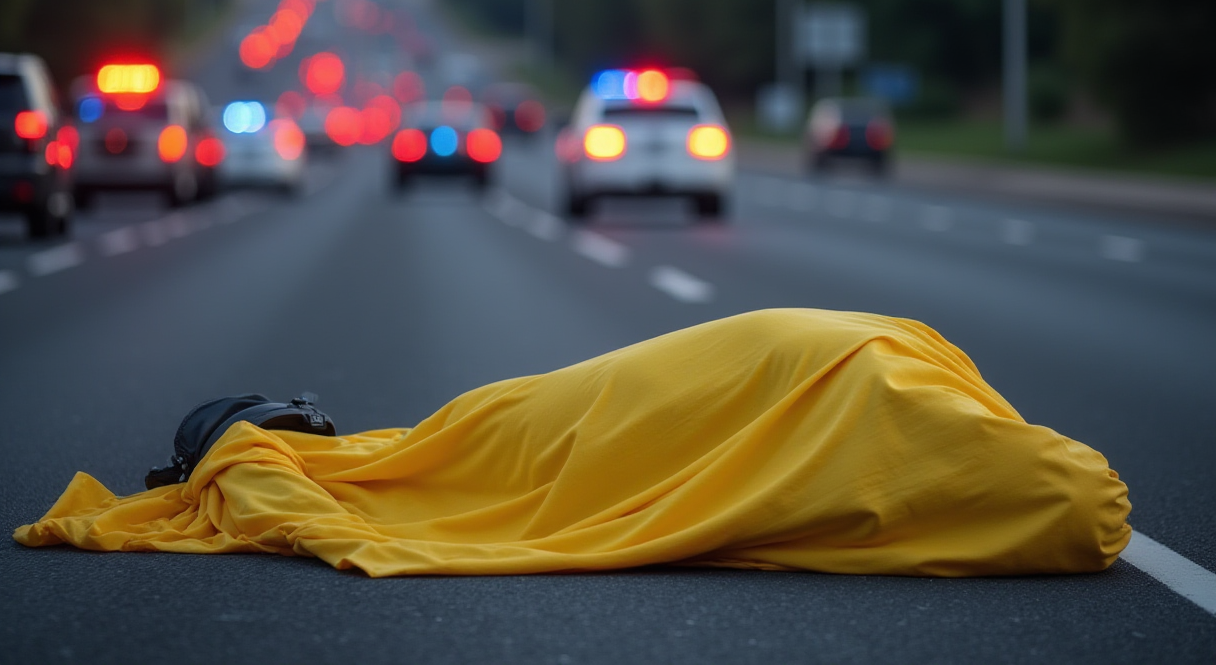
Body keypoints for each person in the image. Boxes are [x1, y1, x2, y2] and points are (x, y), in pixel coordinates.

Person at [14, 309, 1131, 577]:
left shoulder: (918, 370)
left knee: (454, 455)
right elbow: (1087, 510)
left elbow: (1080, 506)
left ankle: (272, 456)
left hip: (619, 398)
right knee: (453, 459)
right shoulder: (920, 379)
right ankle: (272, 457)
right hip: (624, 401)